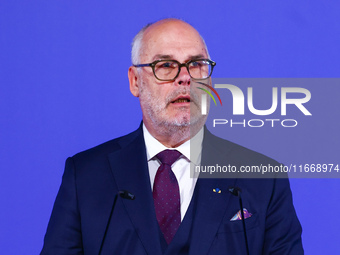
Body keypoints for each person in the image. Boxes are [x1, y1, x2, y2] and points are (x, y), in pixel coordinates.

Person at [41, 19, 303, 255]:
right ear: (135, 81)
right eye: (166, 65)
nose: (185, 78)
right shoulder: (86, 175)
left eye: (196, 65)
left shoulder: (263, 177)